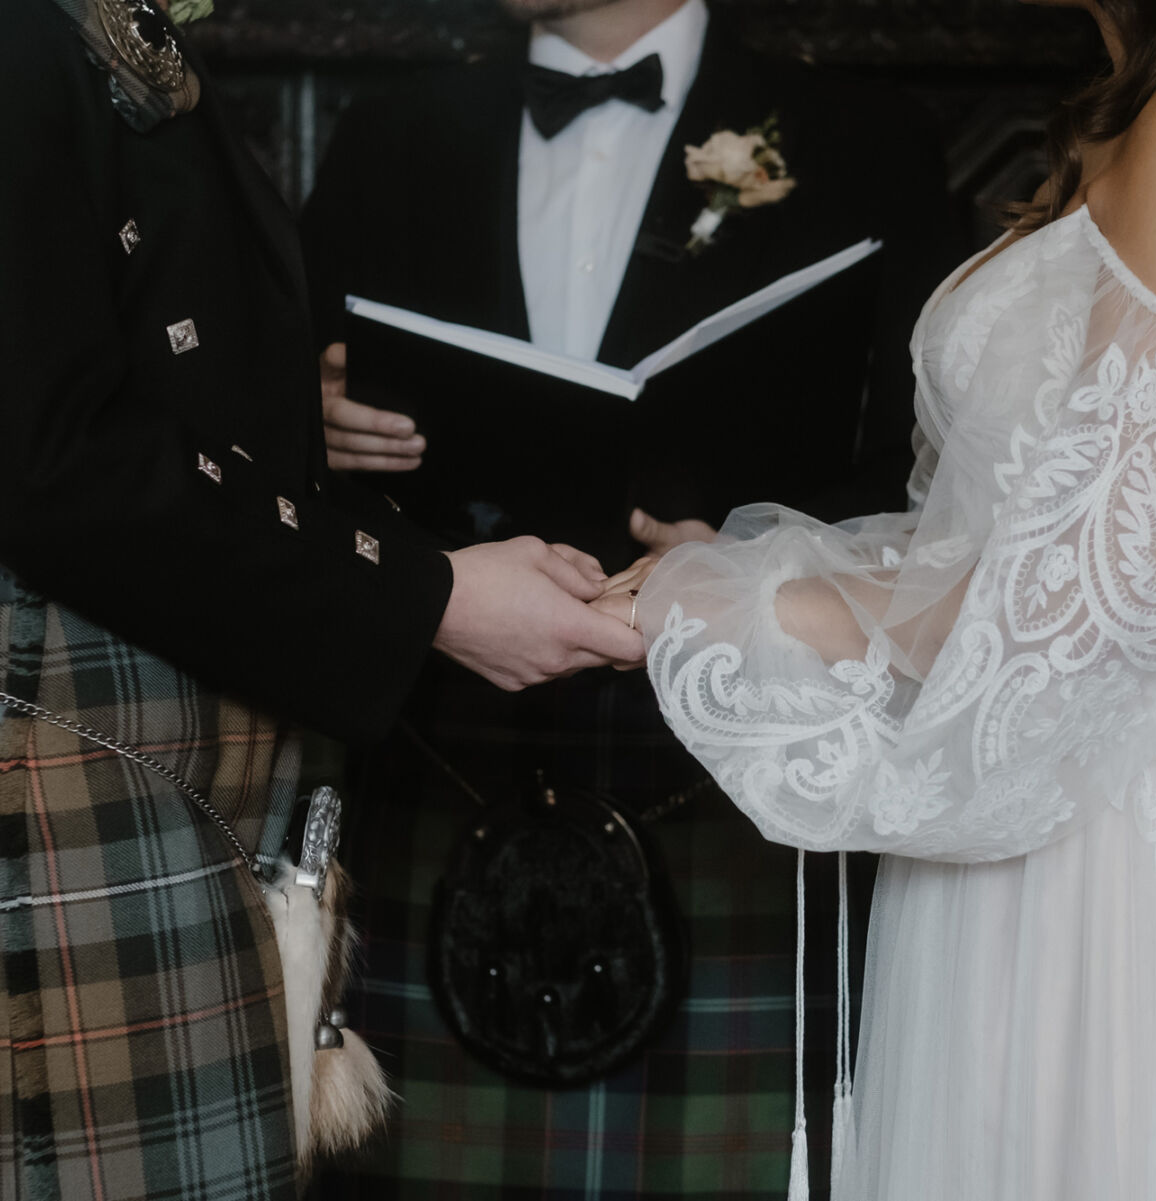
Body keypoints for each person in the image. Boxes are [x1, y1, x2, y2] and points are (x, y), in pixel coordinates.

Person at [0, 0, 644, 1197]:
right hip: (54, 775)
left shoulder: (76, 24)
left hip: (149, 766)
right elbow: (49, 462)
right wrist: (429, 594)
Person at [598, 0, 1156, 1194]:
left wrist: (749, 612)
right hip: (1044, 809)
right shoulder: (1146, 100)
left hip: (1151, 847)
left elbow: (1110, 593)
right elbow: (1016, 533)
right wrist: (765, 572)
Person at [299, 0, 962, 1194]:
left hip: (733, 765)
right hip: (443, 752)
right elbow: (266, 443)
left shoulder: (867, 138)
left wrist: (759, 558)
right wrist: (315, 417)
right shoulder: (386, 135)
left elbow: (939, 473)